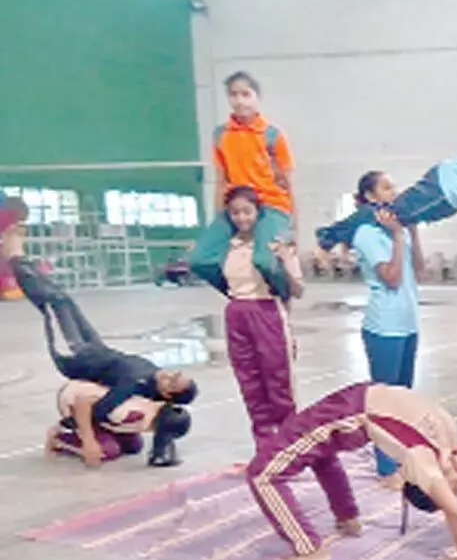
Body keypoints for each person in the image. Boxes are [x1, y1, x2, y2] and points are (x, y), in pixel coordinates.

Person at [245, 382, 457, 560]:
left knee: (262, 474)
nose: (455, 490)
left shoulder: (428, 460)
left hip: (355, 408)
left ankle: (310, 550)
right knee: (317, 448)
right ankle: (347, 517)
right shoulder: (448, 452)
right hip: (357, 404)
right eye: (451, 491)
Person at [2, 210, 197, 468]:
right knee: (64, 297)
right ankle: (18, 257)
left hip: (74, 355)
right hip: (94, 348)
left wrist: (88, 438)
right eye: (175, 374)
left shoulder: (133, 386)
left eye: (171, 382)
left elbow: (96, 410)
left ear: (165, 395)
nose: (168, 375)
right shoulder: (149, 379)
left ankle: (14, 255)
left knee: (54, 301)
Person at [316, 78, 457, 249]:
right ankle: (329, 236)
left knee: (397, 219)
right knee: (390, 215)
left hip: (455, 200)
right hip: (446, 187)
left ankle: (343, 238)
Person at [203, 186, 310, 459]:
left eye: (246, 211)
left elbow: (297, 290)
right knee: (249, 383)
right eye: (235, 213)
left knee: (279, 384)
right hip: (237, 314)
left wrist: (285, 260)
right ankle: (264, 446)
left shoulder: (275, 243)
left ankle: (290, 447)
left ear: (258, 212)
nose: (241, 218)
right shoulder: (227, 247)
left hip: (268, 311)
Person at [190, 72, 300, 300]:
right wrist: (219, 217)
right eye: (233, 95)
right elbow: (221, 180)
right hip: (236, 206)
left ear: (256, 97)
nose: (240, 100)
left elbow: (289, 184)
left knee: (264, 260)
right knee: (199, 259)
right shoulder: (221, 135)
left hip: (271, 206)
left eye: (246, 94)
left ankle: (281, 296)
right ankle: (239, 295)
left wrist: (294, 227)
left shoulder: (272, 135)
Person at [351, 171, 426, 481]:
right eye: (386, 187)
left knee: (404, 399)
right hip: (384, 327)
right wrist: (396, 236)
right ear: (370, 197)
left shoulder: (401, 230)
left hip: (408, 323)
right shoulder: (367, 234)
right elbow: (392, 277)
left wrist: (412, 232)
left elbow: (419, 270)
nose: (394, 191)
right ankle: (385, 466)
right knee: (384, 402)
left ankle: (400, 456)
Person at [47, 380, 191, 467]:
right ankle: (59, 439)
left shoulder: (153, 407)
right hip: (73, 400)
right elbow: (83, 402)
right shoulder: (131, 415)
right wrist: (88, 440)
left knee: (133, 445)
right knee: (109, 450)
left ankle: (100, 430)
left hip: (101, 409)